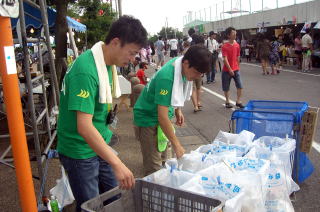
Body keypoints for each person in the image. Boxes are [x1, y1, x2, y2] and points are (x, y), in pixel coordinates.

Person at [57, 15, 147, 211]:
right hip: (79, 150)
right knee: (92, 206)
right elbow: (84, 126)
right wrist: (117, 163)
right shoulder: (86, 70)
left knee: (115, 198)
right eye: (131, 53)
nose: (132, 59)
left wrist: (115, 162)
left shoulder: (107, 64)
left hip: (99, 142)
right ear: (115, 42)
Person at [133, 45, 211, 176]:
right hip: (148, 117)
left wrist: (177, 110)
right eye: (197, 72)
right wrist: (177, 145)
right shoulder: (167, 77)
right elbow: (161, 117)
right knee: (154, 168)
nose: (198, 77)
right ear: (186, 63)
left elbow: (176, 92)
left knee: (167, 160)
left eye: (201, 74)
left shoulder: (181, 65)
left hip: (162, 114)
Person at [221, 27, 244, 109]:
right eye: (233, 33)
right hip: (226, 70)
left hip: (236, 69)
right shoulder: (224, 46)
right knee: (226, 87)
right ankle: (227, 101)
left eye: (235, 33)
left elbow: (238, 56)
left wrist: (237, 66)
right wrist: (230, 69)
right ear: (228, 35)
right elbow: (225, 59)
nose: (235, 34)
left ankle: (238, 101)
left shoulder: (237, 45)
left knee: (240, 85)